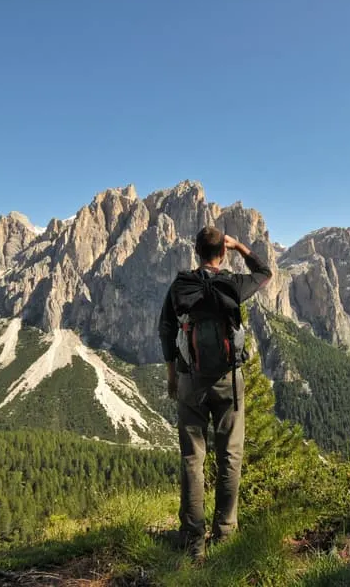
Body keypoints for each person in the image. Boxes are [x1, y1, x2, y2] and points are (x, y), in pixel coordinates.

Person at [157, 227, 273, 561]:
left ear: (196, 252)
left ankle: (193, 541)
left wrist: (171, 376)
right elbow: (265, 272)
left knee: (193, 460)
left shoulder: (181, 285)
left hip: (189, 379)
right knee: (230, 456)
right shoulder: (233, 284)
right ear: (221, 252)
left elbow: (166, 330)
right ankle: (225, 533)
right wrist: (240, 247)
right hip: (228, 380)